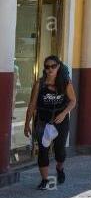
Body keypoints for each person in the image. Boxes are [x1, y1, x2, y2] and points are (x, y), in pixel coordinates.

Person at [23, 56, 76, 190]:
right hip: (42, 121)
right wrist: (27, 124)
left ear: (58, 66)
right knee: (43, 151)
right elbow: (32, 105)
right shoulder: (39, 84)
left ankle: (60, 168)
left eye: (53, 66)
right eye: (47, 67)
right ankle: (46, 180)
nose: (50, 69)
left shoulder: (65, 83)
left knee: (60, 151)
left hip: (60, 122)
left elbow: (73, 101)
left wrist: (64, 114)